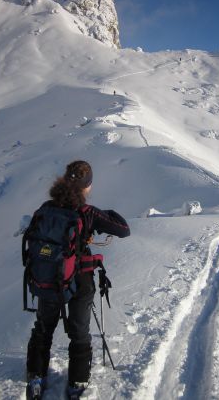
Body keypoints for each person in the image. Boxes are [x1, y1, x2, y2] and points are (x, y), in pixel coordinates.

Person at [26, 160, 130, 398]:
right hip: (80, 280)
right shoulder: (88, 212)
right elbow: (123, 229)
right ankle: (77, 383)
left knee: (43, 327)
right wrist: (107, 214)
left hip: (49, 277)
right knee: (79, 331)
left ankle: (35, 377)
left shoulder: (47, 207)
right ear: (87, 186)